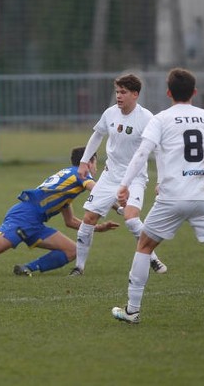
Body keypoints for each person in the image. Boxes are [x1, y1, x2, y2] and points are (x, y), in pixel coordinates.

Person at [111, 68, 204, 325]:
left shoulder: (161, 119)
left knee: (144, 246)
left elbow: (142, 154)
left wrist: (124, 185)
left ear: (168, 93)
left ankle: (132, 311)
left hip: (171, 198)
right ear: (194, 92)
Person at [0, 147, 119, 275]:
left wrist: (99, 228)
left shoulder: (67, 182)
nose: (95, 168)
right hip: (24, 217)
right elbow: (98, 191)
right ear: (89, 162)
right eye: (95, 162)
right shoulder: (78, 174)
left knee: (71, 250)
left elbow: (70, 222)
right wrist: (120, 206)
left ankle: (27, 268)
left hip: (35, 222)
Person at [70, 73, 166, 276]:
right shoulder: (110, 113)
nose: (119, 96)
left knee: (131, 219)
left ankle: (153, 259)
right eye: (117, 92)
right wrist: (84, 161)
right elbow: (97, 135)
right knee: (88, 218)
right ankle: (78, 267)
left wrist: (161, 180)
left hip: (135, 178)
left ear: (135, 94)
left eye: (123, 92)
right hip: (109, 176)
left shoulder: (147, 118)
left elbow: (158, 150)